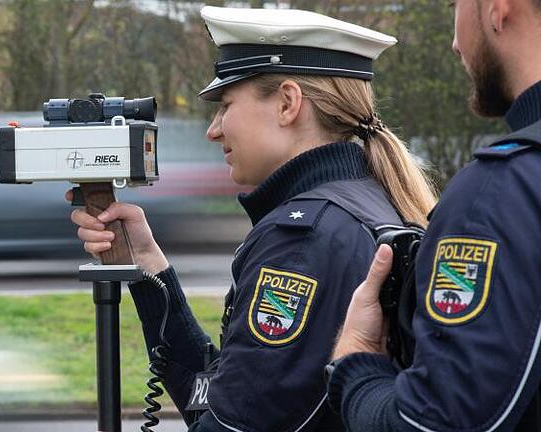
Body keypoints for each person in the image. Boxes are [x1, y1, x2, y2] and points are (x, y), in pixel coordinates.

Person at [69, 6, 435, 432]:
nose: (214, 129)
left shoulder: (302, 240)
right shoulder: (369, 201)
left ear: (287, 103)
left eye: (225, 105)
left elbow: (231, 424)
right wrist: (148, 269)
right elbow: (218, 399)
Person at [328, 0, 541, 430]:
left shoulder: (501, 192)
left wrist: (357, 365)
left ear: (499, 9)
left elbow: (435, 422)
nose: (455, 43)